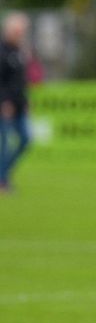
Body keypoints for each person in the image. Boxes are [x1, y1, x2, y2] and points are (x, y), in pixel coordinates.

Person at [0, 12, 31, 193]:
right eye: (18, 30)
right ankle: (2, 180)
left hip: (19, 105)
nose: (20, 34)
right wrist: (4, 102)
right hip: (5, 106)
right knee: (5, 142)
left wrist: (25, 102)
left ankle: (3, 174)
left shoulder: (20, 51)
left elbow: (21, 81)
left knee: (26, 139)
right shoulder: (2, 52)